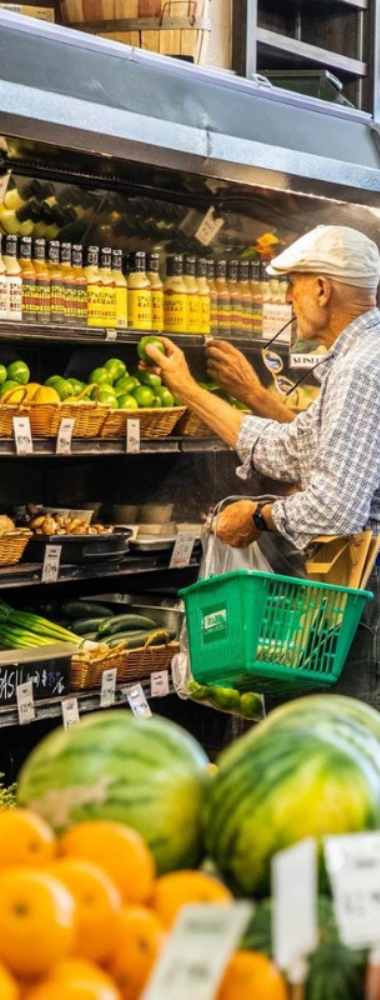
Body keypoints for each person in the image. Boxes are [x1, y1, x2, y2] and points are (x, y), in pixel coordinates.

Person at [145, 225, 380, 708]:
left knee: (349, 756)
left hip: (369, 599)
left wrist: (257, 517)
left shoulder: (362, 367)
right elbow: (287, 446)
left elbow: (336, 509)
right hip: (357, 595)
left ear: (322, 288)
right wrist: (187, 389)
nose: (288, 297)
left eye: (293, 284)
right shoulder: (355, 359)